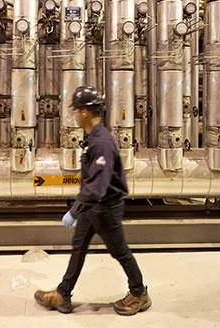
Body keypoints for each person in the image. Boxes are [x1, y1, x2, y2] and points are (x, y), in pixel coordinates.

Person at [34, 85, 151, 316]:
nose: (74, 115)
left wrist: (74, 211)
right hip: (93, 206)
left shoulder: (101, 143)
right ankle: (63, 294)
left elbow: (97, 186)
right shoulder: (93, 138)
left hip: (105, 207)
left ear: (85, 112)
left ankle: (139, 293)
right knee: (78, 247)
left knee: (120, 251)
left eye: (76, 111)